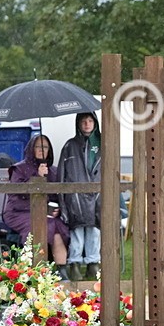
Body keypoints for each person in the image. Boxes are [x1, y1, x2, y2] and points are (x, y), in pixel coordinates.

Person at [3, 134, 70, 278]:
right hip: (19, 212)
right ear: (31, 148)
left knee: (58, 226)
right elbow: (16, 197)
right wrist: (38, 178)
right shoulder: (18, 169)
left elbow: (58, 196)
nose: (41, 150)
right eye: (38, 146)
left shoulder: (53, 170)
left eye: (45, 147)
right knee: (39, 225)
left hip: (46, 214)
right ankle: (37, 270)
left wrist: (57, 208)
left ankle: (62, 270)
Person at [58, 112, 101, 282]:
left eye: (90, 121)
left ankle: (93, 264)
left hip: (97, 196)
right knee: (77, 233)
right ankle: (74, 264)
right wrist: (62, 200)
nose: (87, 124)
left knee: (95, 232)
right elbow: (62, 173)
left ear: (95, 123)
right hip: (75, 198)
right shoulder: (70, 146)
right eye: (83, 121)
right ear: (78, 123)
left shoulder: (103, 144)